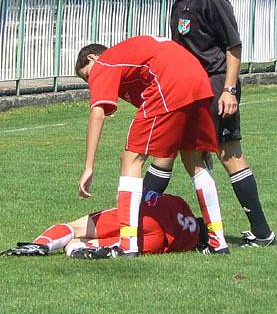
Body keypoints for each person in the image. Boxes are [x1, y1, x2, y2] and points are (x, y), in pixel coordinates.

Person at [161, 0, 276, 247]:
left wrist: (229, 90)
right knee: (184, 154)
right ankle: (211, 233)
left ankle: (262, 233)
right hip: (190, 89)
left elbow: (233, 46)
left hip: (215, 85)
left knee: (229, 154)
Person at [74, 36, 229, 256]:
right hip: (198, 78)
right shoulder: (129, 59)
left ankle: (128, 244)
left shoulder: (106, 61)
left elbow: (97, 113)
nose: (92, 83)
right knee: (193, 160)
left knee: (131, 158)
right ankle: (218, 241)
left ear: (92, 57)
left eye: (88, 76)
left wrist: (88, 166)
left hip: (170, 81)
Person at [1, 192, 208, 258]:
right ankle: (76, 248)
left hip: (143, 215)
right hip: (157, 240)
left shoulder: (181, 202)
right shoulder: (190, 242)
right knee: (96, 243)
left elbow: (150, 194)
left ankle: (42, 244)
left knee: (77, 226)